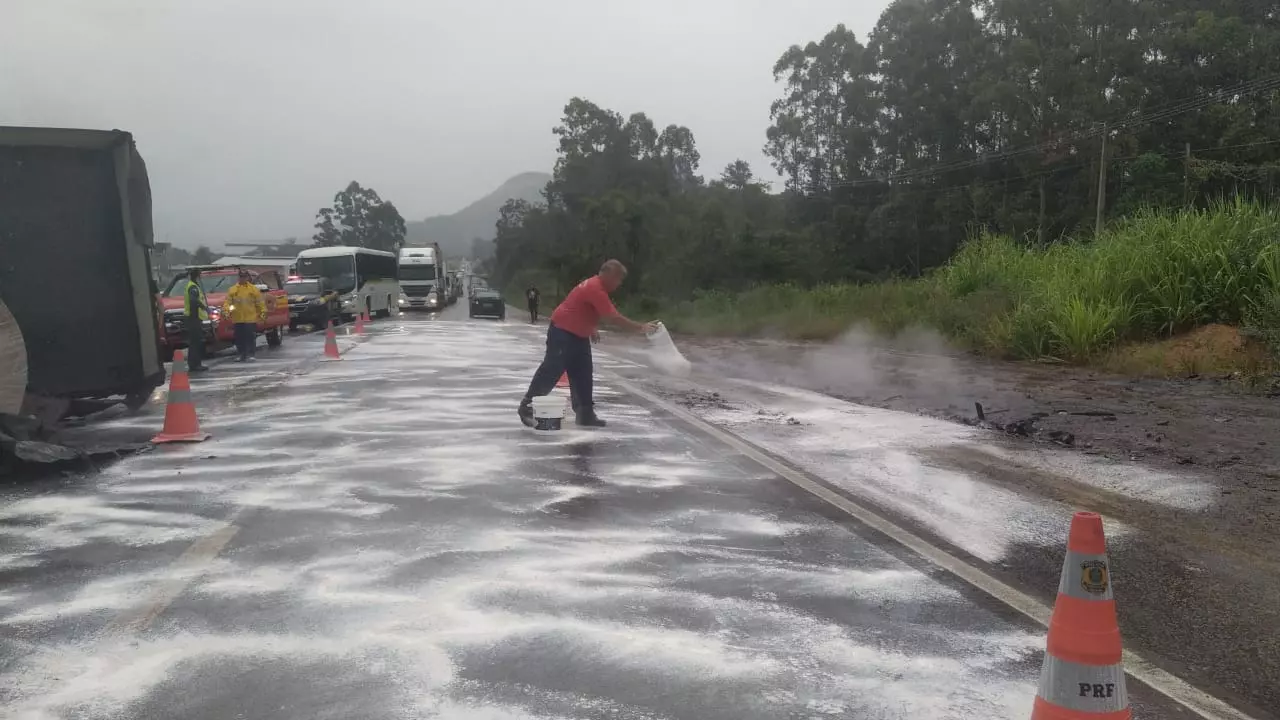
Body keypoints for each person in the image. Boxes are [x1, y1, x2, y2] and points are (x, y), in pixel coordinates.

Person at [518, 260, 656, 428]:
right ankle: (527, 406)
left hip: (578, 334)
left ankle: (585, 414)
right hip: (562, 331)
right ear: (609, 275)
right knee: (552, 369)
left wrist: (591, 327)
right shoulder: (595, 288)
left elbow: (582, 307)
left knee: (583, 373)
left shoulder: (596, 286)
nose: (619, 284)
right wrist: (640, 328)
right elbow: (613, 317)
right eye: (618, 279)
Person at [223, 269, 267, 363]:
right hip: (237, 318)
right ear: (238, 277)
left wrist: (262, 313)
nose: (242, 278)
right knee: (239, 338)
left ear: (247, 277)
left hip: (250, 318)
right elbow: (228, 303)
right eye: (241, 276)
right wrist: (228, 311)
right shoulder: (233, 290)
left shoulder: (253, 289)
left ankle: (251, 354)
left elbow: (259, 303)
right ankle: (241, 354)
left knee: (250, 337)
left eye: (244, 276)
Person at [183, 268, 209, 372]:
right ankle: (195, 364)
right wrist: (203, 307)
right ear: (196, 275)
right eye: (199, 274)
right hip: (193, 318)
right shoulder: (193, 287)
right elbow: (193, 300)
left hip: (193, 318)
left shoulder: (192, 285)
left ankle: (193, 364)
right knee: (196, 342)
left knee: (194, 342)